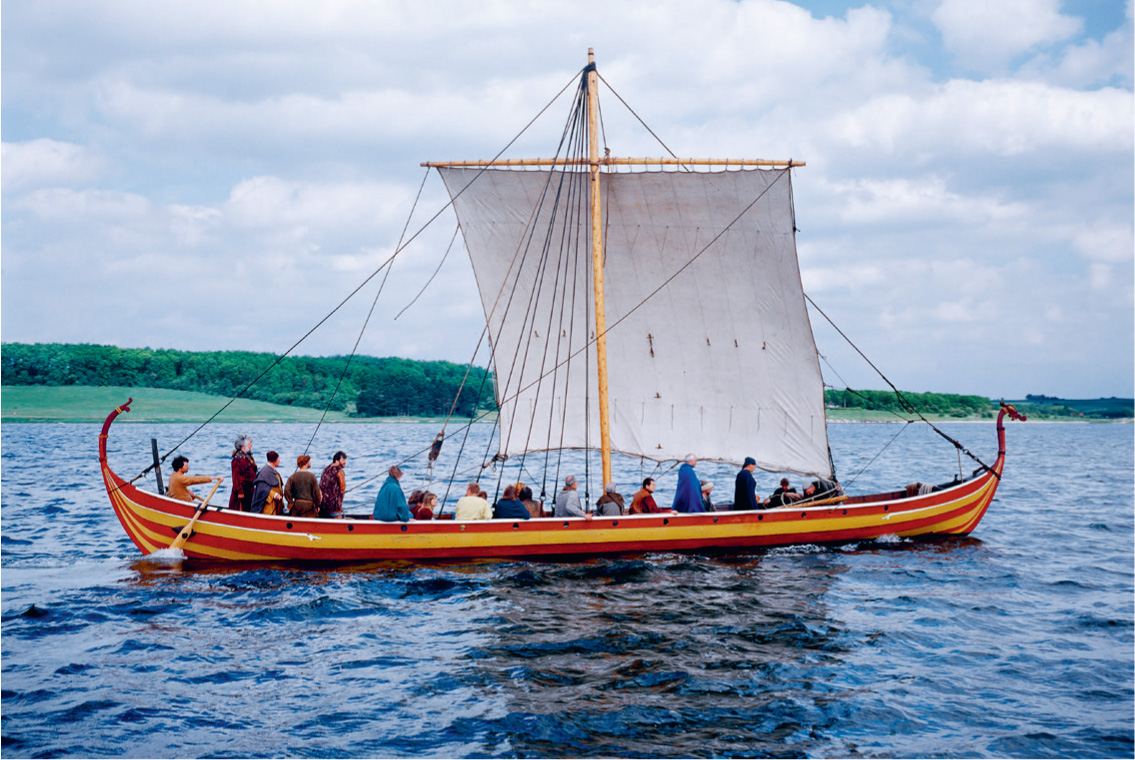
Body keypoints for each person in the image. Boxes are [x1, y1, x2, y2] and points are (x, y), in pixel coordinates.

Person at [228, 434, 257, 511]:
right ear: (244, 446)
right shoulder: (237, 460)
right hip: (242, 494)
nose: (251, 445)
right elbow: (236, 478)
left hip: (249, 491)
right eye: (250, 443)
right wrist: (240, 492)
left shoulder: (248, 458)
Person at [319, 451, 348, 519]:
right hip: (335, 507)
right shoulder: (339, 471)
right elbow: (342, 488)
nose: (345, 462)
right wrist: (340, 504)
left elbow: (320, 487)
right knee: (338, 525)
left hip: (323, 505)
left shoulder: (325, 469)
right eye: (343, 459)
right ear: (337, 460)